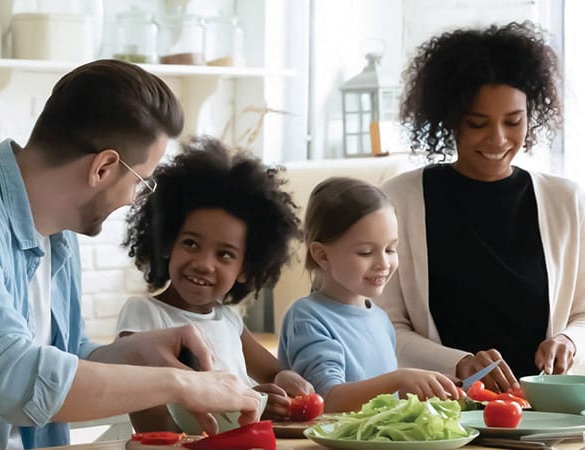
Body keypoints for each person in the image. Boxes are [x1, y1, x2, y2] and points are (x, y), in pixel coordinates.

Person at [0, 60, 262, 450]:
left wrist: (137, 352)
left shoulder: (58, 233)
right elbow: (8, 377)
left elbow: (66, 356)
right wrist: (181, 384)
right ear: (103, 168)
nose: (133, 198)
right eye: (139, 182)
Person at [377, 21, 585, 393]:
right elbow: (383, 327)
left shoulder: (566, 201)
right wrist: (458, 362)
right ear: (450, 120)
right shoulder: (398, 200)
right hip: (441, 411)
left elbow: (583, 315)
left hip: (543, 411)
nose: (498, 139)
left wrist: (569, 342)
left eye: (513, 121)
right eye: (477, 123)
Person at [116, 136, 314, 432]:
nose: (204, 263)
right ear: (168, 242)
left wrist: (285, 383)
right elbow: (153, 426)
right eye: (191, 243)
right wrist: (251, 406)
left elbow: (273, 374)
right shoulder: (143, 314)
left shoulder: (228, 321)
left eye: (224, 254)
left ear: (245, 269)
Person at [278, 177, 459, 413]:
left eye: (390, 249)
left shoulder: (380, 319)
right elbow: (327, 399)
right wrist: (398, 379)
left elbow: (380, 398)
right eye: (365, 252)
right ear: (322, 255)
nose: (383, 263)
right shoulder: (307, 318)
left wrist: (423, 387)